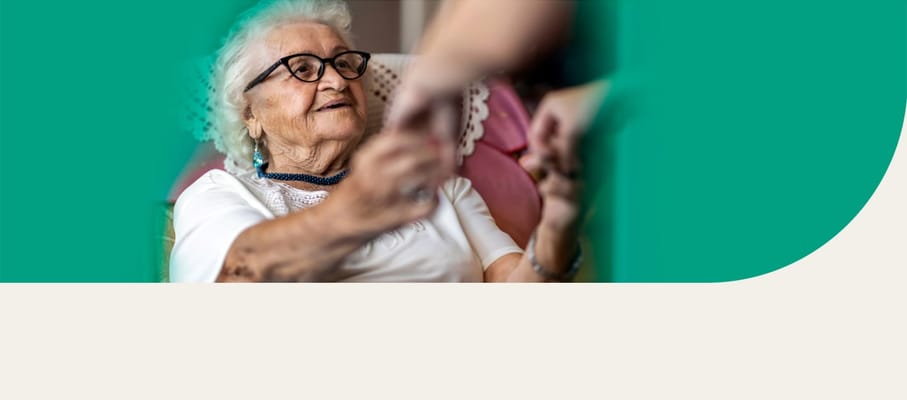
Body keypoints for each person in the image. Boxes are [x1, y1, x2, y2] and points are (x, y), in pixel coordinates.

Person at [169, 0, 582, 282]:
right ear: (250, 114)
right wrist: (356, 209)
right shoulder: (218, 194)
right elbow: (240, 274)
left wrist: (557, 226)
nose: (336, 80)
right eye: (302, 69)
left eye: (344, 63)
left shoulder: (444, 190)